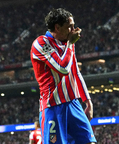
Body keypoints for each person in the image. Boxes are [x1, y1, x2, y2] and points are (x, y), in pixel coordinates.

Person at [30, 8, 97, 144]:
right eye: (69, 27)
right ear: (57, 27)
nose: (74, 30)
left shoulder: (67, 44)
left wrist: (88, 101)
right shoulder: (41, 43)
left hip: (73, 104)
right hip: (53, 107)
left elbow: (75, 72)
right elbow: (62, 68)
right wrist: (71, 44)